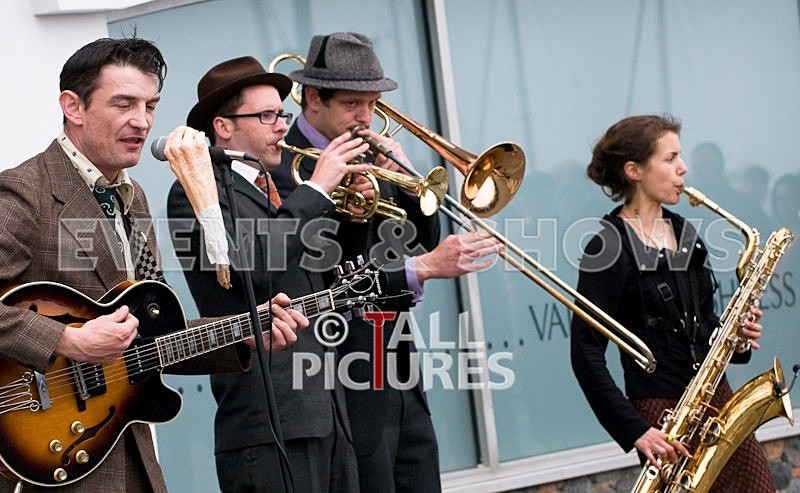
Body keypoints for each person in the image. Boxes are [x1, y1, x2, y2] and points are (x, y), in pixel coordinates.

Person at [0, 38, 306, 493]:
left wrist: (246, 337)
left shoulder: (135, 199)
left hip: (127, 454)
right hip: (45, 459)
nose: (141, 121)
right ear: (73, 106)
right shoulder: (24, 191)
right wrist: (69, 339)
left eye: (150, 105)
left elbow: (153, 337)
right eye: (123, 103)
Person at [272, 31, 503, 492]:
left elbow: (421, 238)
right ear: (313, 98)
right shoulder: (283, 165)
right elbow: (310, 269)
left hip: (397, 361)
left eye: (373, 103)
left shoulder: (372, 152)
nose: (367, 118)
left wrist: (405, 183)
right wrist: (326, 196)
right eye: (354, 104)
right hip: (337, 368)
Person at [167, 55, 373, 492]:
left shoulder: (283, 186)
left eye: (282, 113)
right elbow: (251, 263)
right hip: (267, 420)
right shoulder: (195, 192)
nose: (282, 125)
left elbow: (322, 276)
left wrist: (354, 210)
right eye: (266, 115)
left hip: (325, 410)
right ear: (223, 127)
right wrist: (318, 190)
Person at [570, 114, 775, 491]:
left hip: (717, 399)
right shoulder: (606, 248)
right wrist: (635, 430)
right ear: (634, 170)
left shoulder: (685, 231)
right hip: (663, 415)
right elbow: (585, 353)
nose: (683, 168)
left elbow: (704, 322)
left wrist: (736, 338)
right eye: (670, 158)